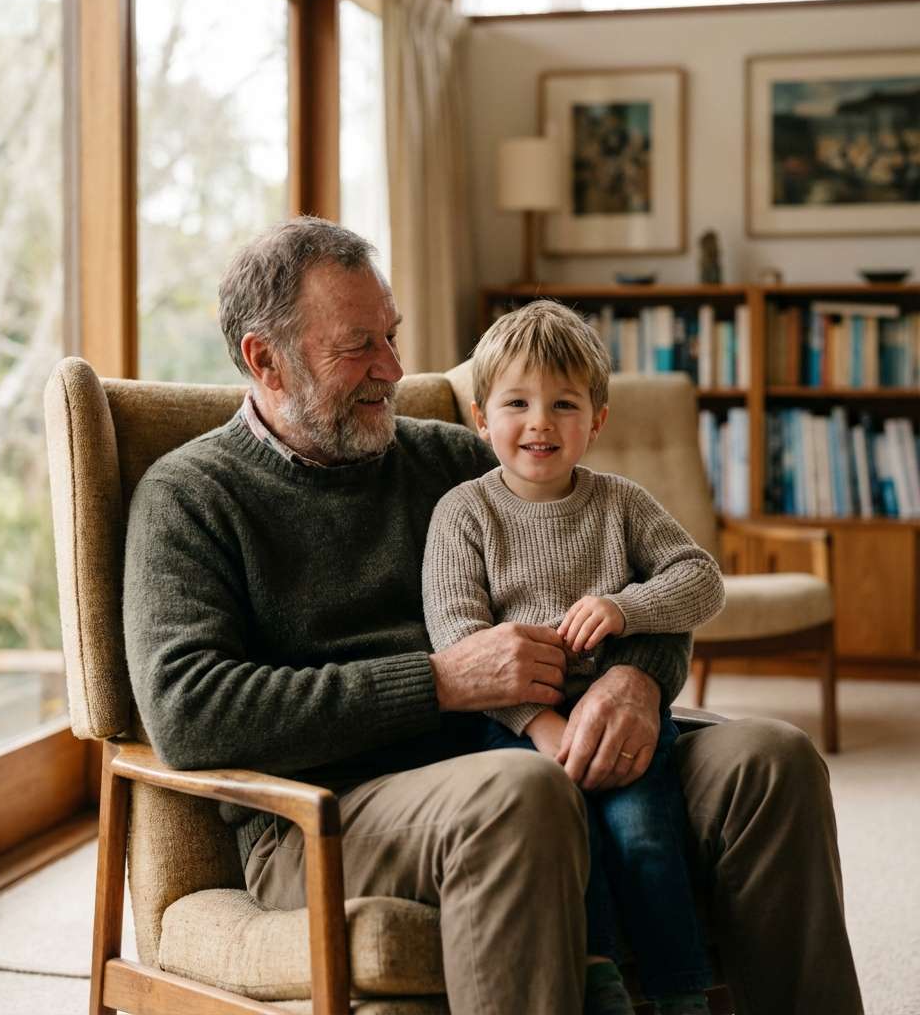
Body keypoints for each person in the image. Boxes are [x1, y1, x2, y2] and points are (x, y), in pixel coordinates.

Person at [123, 215, 863, 1015]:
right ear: (263, 359)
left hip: (524, 739)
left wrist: (640, 681)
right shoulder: (190, 497)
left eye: (393, 338)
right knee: (524, 791)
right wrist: (437, 682)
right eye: (358, 346)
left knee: (773, 760)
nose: (394, 370)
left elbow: (626, 573)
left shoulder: (451, 457)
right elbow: (188, 714)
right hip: (327, 809)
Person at [422, 300, 724, 1015]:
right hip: (510, 725)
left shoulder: (621, 503)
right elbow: (457, 637)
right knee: (571, 838)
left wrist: (626, 608)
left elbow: (701, 580)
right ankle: (600, 980)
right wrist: (538, 726)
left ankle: (683, 993)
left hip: (619, 718)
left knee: (644, 835)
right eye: (517, 403)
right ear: (480, 418)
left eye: (564, 404)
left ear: (597, 420)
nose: (540, 423)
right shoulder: (463, 513)